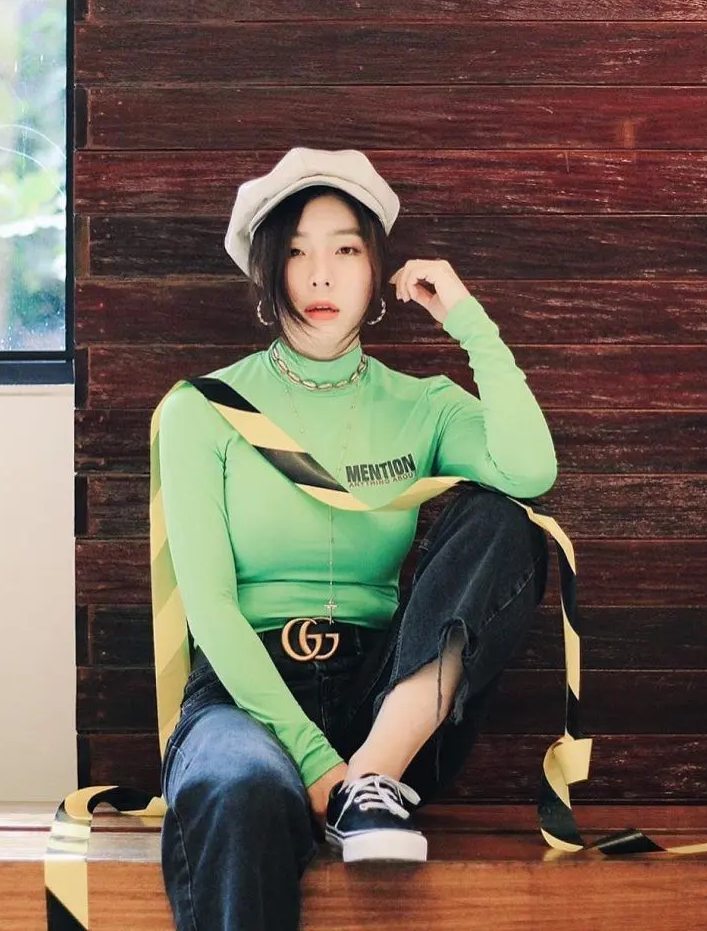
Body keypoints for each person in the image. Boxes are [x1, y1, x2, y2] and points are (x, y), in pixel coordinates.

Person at [155, 147, 557, 931]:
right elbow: (210, 609)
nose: (320, 276)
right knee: (238, 788)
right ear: (265, 271)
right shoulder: (201, 409)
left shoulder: (423, 405)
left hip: (389, 707)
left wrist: (466, 319)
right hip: (247, 698)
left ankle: (372, 781)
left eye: (344, 250)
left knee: (501, 520)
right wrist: (317, 768)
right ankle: (351, 794)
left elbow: (529, 469)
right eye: (294, 252)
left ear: (376, 270)